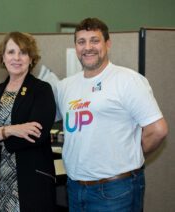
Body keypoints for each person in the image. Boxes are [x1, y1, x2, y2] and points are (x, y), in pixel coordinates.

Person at [54, 18, 168, 212]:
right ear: (75, 46)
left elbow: (157, 130)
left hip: (115, 189)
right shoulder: (65, 86)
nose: (87, 47)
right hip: (75, 187)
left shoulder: (127, 80)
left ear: (108, 43)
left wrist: (129, 155)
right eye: (81, 42)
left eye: (94, 40)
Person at [0, 31, 56, 212]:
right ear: (3, 57)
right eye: (11, 52)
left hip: (31, 182)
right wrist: (10, 130)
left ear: (31, 58)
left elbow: (35, 135)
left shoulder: (41, 90)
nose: (16, 58)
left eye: (23, 52)